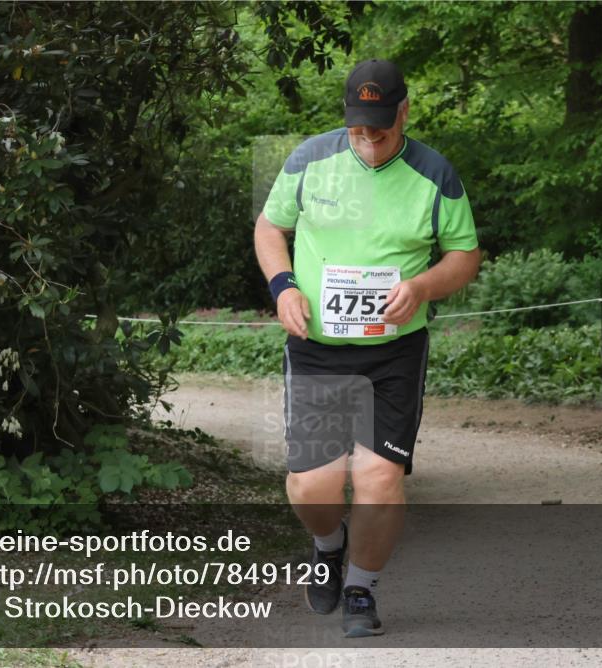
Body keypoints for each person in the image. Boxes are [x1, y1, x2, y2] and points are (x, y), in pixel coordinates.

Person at [253, 59, 480, 637]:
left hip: (393, 351)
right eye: (359, 127)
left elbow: (464, 256)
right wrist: (283, 287)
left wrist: (423, 286)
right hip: (318, 347)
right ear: (346, 116)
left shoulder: (436, 175)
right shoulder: (309, 160)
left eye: (381, 126)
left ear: (404, 110)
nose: (370, 138)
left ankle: (361, 589)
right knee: (312, 485)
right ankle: (328, 546)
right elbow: (269, 227)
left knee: (379, 479)